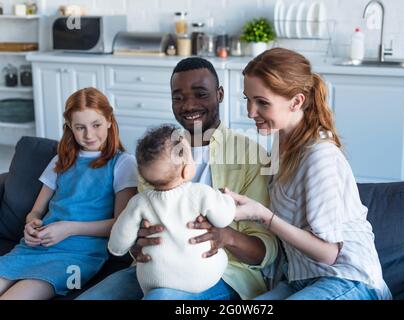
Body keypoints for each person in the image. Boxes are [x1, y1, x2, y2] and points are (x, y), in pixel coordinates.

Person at [77, 57, 278, 300]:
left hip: (223, 273)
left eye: (200, 94)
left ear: (220, 94)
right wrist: (136, 244)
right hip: (154, 270)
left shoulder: (251, 155)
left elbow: (266, 251)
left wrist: (225, 236)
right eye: (178, 97)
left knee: (161, 297)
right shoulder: (157, 154)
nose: (188, 105)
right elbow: (133, 228)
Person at [224, 47, 392, 300]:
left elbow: (329, 254)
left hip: (349, 279)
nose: (250, 112)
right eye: (247, 99)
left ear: (297, 101)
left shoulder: (319, 155)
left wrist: (263, 215)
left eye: (262, 102)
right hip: (300, 280)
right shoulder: (281, 142)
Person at [0, 87, 138, 299]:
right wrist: (31, 224)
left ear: (110, 121)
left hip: (79, 256)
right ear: (70, 128)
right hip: (35, 247)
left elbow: (120, 225)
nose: (89, 134)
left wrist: (68, 229)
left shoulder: (123, 164)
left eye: (96, 125)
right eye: (80, 127)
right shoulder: (60, 160)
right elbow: (36, 211)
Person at [108, 124, 236, 296]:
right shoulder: (201, 192)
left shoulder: (139, 202)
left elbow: (117, 245)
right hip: (202, 275)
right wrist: (226, 198)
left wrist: (126, 245)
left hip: (153, 279)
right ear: (186, 169)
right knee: (218, 260)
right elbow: (224, 218)